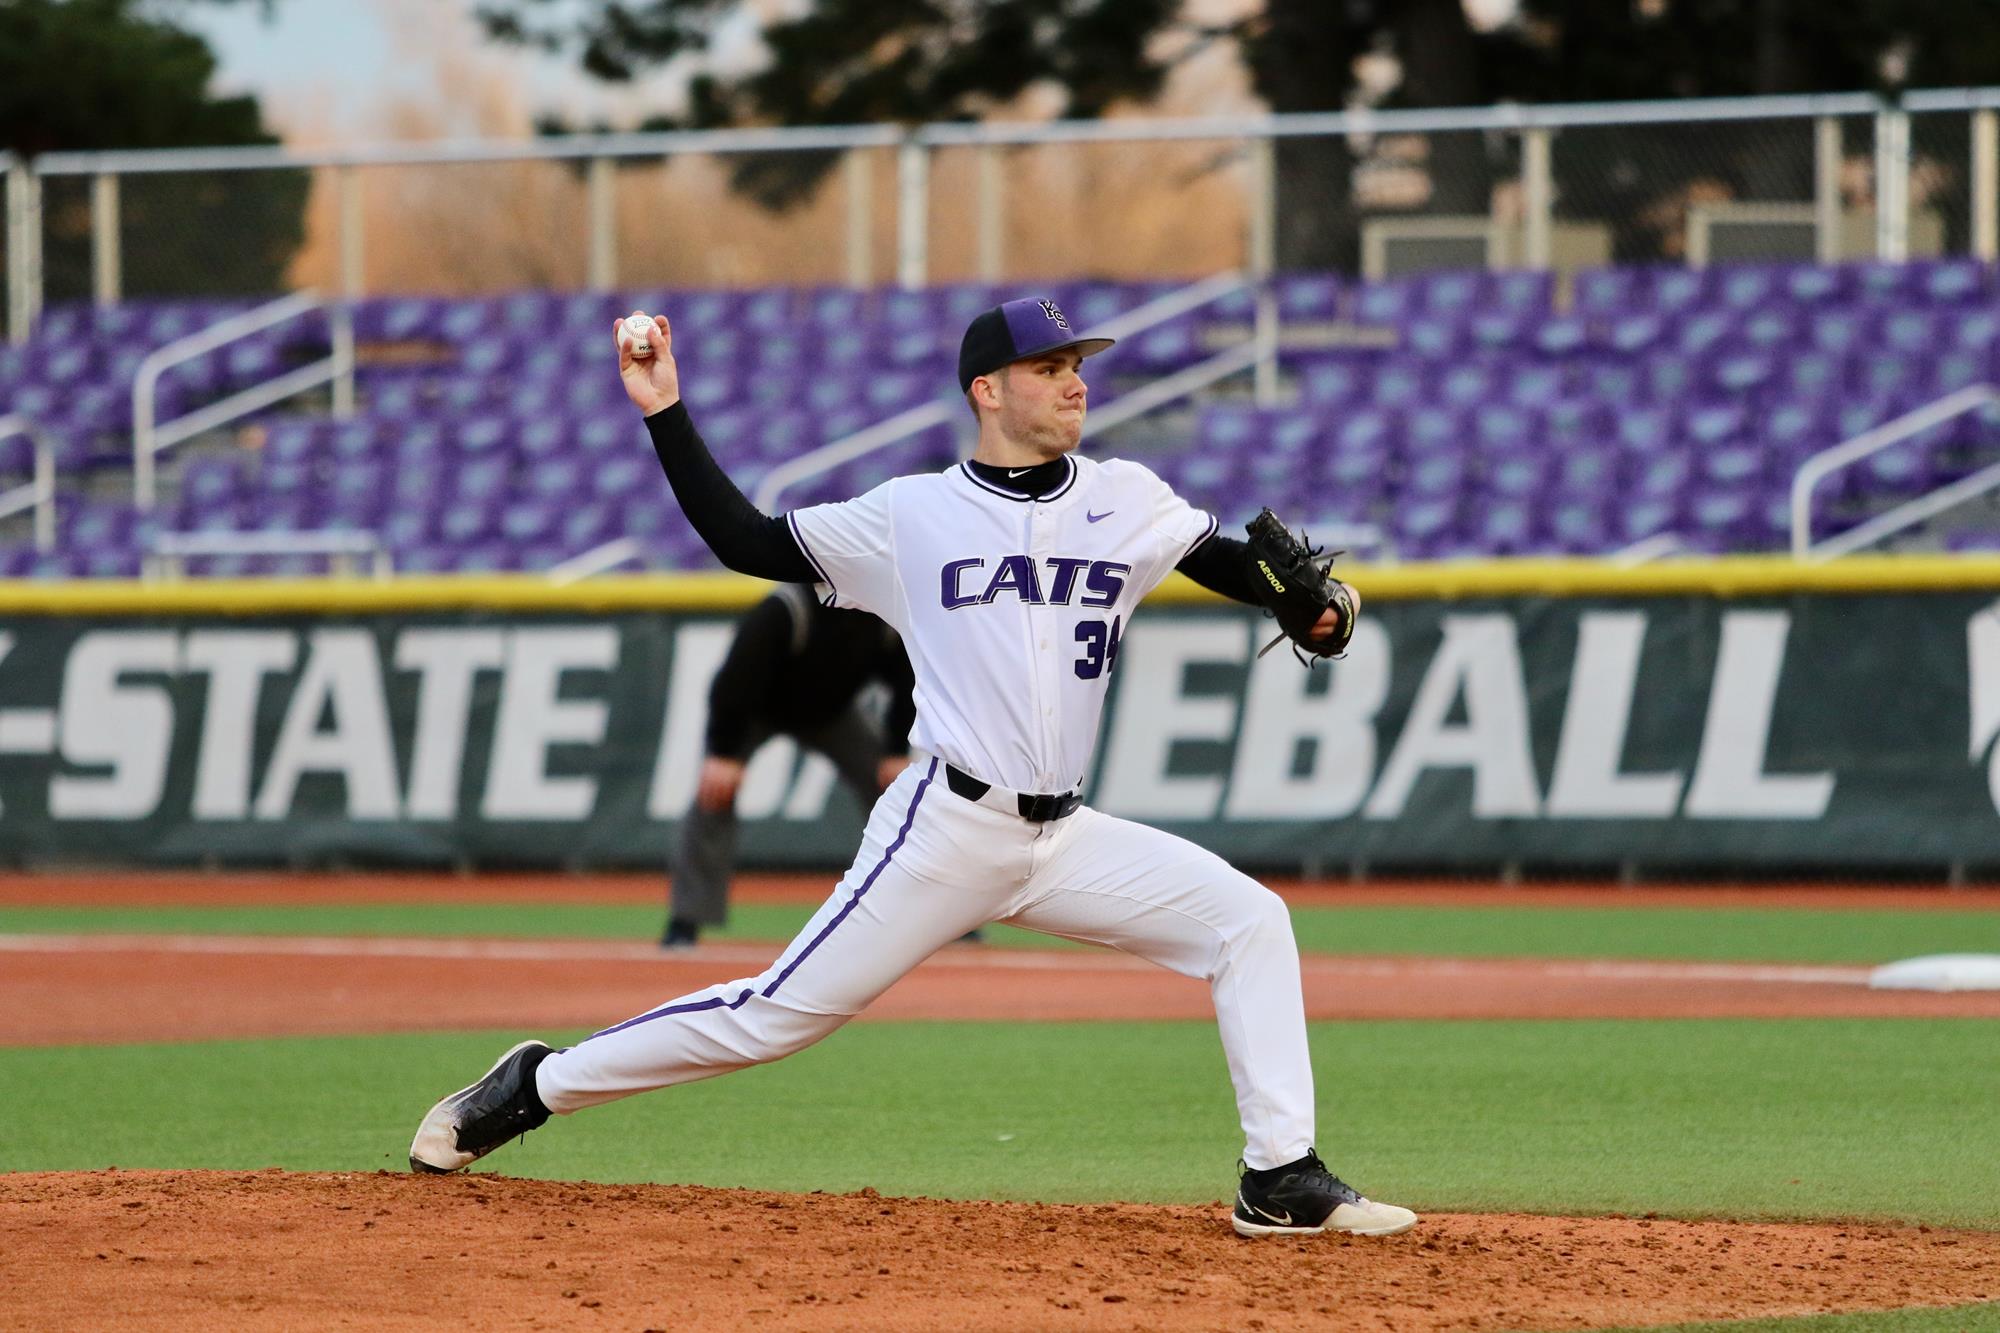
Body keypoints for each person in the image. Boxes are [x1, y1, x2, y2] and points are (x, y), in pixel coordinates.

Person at [410, 296, 1417, 1240]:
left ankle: (1277, 1175)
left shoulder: (1125, 497)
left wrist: (1317, 611)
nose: (1075, 384)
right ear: (987, 390)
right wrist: (664, 410)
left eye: (1078, 367)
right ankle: (534, 1084)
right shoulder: (910, 515)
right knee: (771, 1017)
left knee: (1247, 920)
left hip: (1063, 837)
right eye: (1049, 367)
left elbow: (1244, 571)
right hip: (943, 829)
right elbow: (743, 539)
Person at [663, 585, 916, 949]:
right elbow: (734, 681)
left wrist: (895, 749)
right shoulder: (787, 609)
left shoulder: (881, 613)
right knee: (714, 793)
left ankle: (924, 907)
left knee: (901, 792)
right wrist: (723, 753)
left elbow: (907, 678)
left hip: (832, 713)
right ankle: (685, 920)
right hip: (759, 709)